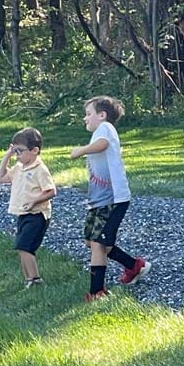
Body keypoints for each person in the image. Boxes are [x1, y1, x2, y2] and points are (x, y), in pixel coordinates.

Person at [69, 95, 152, 301]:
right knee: (92, 241)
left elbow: (103, 145)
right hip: (99, 199)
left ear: (102, 115)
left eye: (88, 114)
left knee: (99, 243)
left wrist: (81, 151)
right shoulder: (98, 131)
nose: (85, 119)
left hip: (114, 198)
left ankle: (97, 292)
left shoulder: (105, 129)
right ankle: (134, 265)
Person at [0, 127, 57, 288]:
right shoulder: (19, 168)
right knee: (21, 248)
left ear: (35, 150)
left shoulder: (40, 169)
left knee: (25, 247)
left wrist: (34, 201)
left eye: (20, 151)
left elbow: (51, 191)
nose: (17, 155)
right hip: (23, 214)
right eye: (15, 151)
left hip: (37, 214)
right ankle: (28, 279)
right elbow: (0, 177)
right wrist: (7, 155)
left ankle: (35, 279)